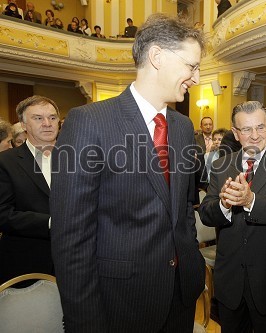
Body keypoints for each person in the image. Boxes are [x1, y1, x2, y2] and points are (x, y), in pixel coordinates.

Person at [50, 15, 206, 332]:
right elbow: (72, 240)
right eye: (192, 66)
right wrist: (85, 321)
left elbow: (184, 209)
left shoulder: (182, 126)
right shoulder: (89, 122)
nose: (197, 77)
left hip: (181, 296)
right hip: (121, 302)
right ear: (158, 56)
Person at [199, 101, 266, 333]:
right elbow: (206, 213)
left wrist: (250, 201)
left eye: (260, 127)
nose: (255, 136)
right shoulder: (221, 164)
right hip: (230, 279)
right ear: (235, 133)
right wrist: (224, 203)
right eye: (246, 129)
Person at [0, 96, 60, 285]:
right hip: (27, 262)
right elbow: (3, 215)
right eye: (38, 118)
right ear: (24, 125)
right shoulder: (5, 162)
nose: (47, 124)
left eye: (52, 117)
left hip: (75, 262)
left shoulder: (77, 160)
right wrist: (51, 222)